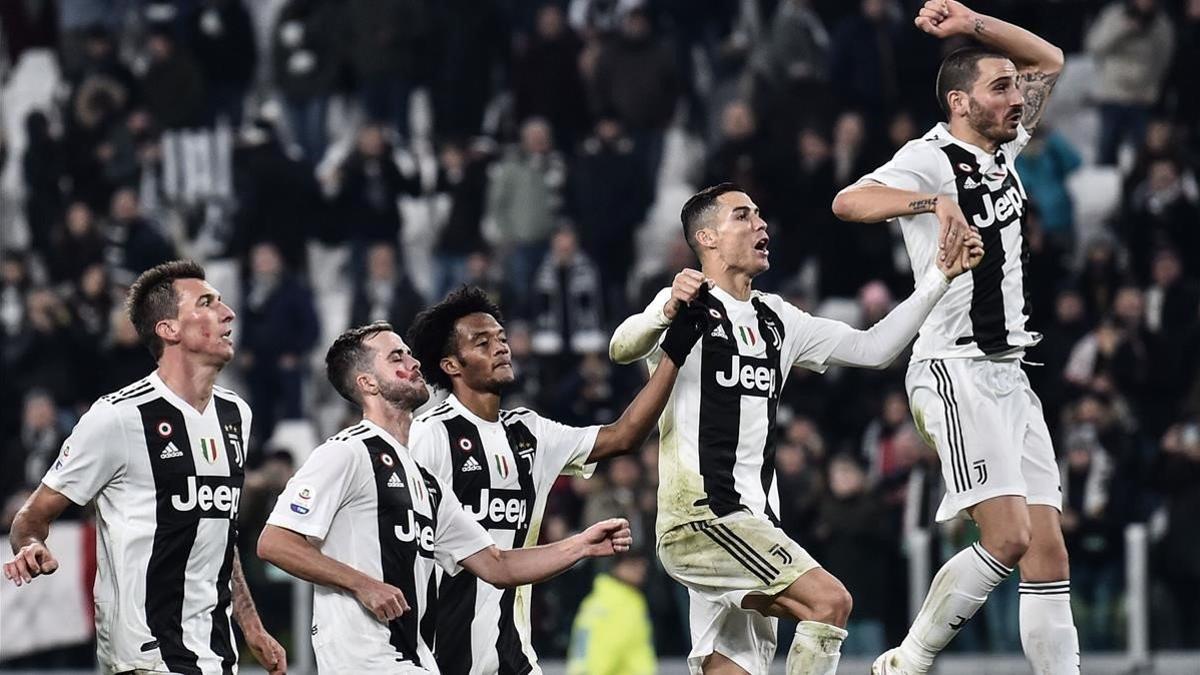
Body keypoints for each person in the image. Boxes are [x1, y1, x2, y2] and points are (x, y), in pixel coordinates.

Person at [610, 182, 982, 675]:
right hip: (704, 520)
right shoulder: (687, 305)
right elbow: (621, 346)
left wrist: (939, 277)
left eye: (760, 214)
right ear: (708, 239)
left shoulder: (777, 320)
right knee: (829, 604)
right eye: (742, 216)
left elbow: (874, 349)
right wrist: (664, 310)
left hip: (754, 530)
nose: (761, 224)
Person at [831, 2, 1077, 673]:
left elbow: (1049, 59)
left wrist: (973, 21)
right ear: (961, 101)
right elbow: (848, 200)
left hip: (1009, 373)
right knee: (1010, 536)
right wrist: (930, 201)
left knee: (1049, 550)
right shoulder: (930, 157)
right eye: (1000, 88)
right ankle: (907, 660)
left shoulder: (1004, 149)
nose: (1017, 97)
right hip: (953, 367)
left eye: (1012, 86)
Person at [256, 322, 636, 674]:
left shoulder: (427, 483)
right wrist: (363, 584)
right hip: (363, 661)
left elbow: (497, 565)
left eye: (408, 353)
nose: (413, 362)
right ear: (367, 383)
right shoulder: (347, 453)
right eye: (396, 357)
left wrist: (580, 546)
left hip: (416, 661)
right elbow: (275, 542)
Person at [404, 282, 705, 675]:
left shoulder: (530, 433)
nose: (501, 347)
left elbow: (624, 435)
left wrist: (674, 352)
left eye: (501, 337)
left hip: (515, 657)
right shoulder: (430, 435)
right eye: (482, 342)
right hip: (444, 658)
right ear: (451, 366)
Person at [3, 260, 286, 675]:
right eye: (206, 303)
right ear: (168, 329)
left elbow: (218, 530)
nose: (228, 313)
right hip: (146, 657)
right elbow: (32, 516)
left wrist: (251, 626)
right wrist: (30, 545)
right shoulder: (116, 417)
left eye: (222, 302)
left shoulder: (235, 414)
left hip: (216, 654)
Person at [566, 553, 656, 675]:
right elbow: (606, 650)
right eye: (632, 563)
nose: (640, 569)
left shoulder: (595, 599)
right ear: (616, 566)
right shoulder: (623, 602)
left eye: (641, 564)